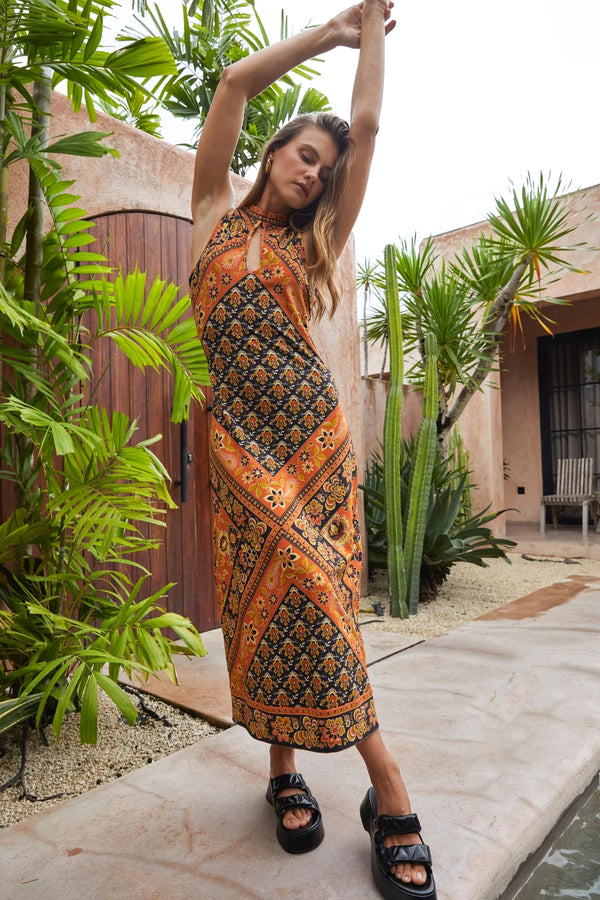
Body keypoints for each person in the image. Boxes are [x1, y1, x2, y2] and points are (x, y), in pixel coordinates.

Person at [189, 3, 436, 898]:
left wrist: (370, 37)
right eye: (303, 154)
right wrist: (329, 35)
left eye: (324, 170)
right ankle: (283, 769)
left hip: (313, 442)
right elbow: (234, 83)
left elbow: (365, 123)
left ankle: (386, 787)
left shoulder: (313, 241)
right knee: (263, 598)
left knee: (318, 596)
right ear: (271, 153)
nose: (313, 173)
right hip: (238, 444)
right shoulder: (211, 215)